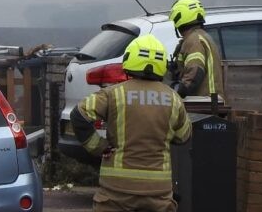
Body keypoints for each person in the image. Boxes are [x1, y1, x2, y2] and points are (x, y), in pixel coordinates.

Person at [71, 34, 192, 212]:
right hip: (158, 193)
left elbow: (78, 115)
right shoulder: (174, 99)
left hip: (116, 191)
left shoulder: (113, 94)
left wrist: (99, 147)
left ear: (129, 61)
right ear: (162, 64)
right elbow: (184, 136)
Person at [168, 0, 226, 103]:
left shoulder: (194, 40)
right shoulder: (200, 36)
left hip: (203, 102)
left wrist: (176, 91)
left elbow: (195, 72)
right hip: (210, 101)